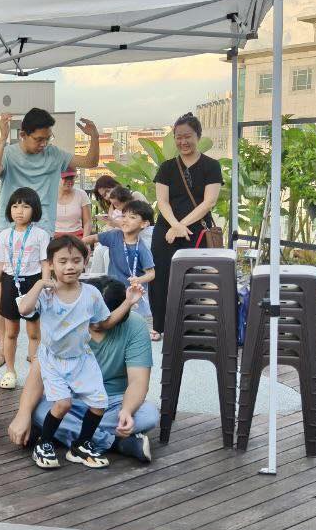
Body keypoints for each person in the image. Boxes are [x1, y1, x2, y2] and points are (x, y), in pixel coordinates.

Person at [17, 234, 140, 469]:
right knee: (62, 404)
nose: (70, 266)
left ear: (85, 261)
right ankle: (44, 443)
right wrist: (40, 283)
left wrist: (129, 302)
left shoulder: (91, 293)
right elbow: (24, 309)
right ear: (51, 264)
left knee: (99, 404)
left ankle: (81, 445)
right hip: (53, 359)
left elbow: (104, 322)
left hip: (82, 359)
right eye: (62, 261)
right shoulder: (46, 294)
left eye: (76, 260)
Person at [8, 276, 158, 464]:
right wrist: (23, 414)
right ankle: (116, 443)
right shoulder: (68, 317)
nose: (95, 325)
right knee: (39, 410)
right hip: (72, 401)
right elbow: (39, 370)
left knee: (149, 415)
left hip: (112, 402)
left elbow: (138, 381)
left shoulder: (135, 325)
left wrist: (127, 410)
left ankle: (58, 432)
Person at [151, 112, 222, 339]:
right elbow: (162, 201)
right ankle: (159, 325)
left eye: (188, 136)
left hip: (197, 231)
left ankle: (193, 325)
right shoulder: (167, 167)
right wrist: (174, 225)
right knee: (160, 276)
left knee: (196, 278)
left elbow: (209, 202)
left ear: (198, 136)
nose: (183, 141)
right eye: (178, 137)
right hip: (166, 231)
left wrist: (181, 225)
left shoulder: (212, 166)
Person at [0, 107, 100, 237]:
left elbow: (90, 162)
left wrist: (94, 137)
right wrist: (3, 139)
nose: (44, 144)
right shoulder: (8, 154)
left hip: (42, 232)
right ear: (23, 135)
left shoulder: (54, 154)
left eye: (48, 138)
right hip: (8, 231)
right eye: (39, 139)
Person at [0, 187, 50, 390]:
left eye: (25, 206)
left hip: (33, 284)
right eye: (15, 206)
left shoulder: (41, 235)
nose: (19, 211)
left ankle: (35, 374)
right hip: (9, 283)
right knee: (10, 332)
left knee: (34, 332)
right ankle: (10, 371)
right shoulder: (5, 235)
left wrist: (45, 286)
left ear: (35, 209)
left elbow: (45, 264)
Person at [85, 198, 156, 322]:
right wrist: (78, 246)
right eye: (123, 216)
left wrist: (139, 279)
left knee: (132, 322)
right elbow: (91, 239)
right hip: (113, 292)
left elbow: (151, 273)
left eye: (132, 217)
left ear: (144, 224)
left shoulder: (142, 248)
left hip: (134, 297)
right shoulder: (114, 235)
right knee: (110, 320)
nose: (125, 220)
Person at [55, 168, 92, 238]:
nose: (69, 181)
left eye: (72, 178)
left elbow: (88, 222)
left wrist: (84, 240)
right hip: (55, 238)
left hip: (77, 238)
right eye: (65, 178)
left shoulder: (81, 194)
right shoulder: (50, 196)